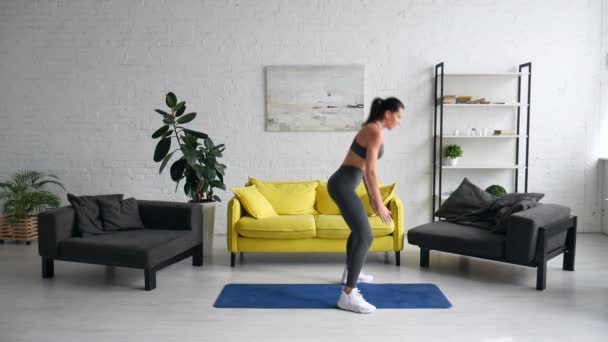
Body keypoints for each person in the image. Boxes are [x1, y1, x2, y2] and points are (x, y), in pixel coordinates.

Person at [327, 97, 404, 314]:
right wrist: (379, 204)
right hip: (342, 185)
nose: (399, 122)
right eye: (398, 116)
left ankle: (350, 272)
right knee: (365, 235)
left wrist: (372, 195)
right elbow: (370, 170)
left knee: (358, 231)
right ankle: (348, 295)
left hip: (344, 183)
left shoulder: (373, 129)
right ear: (387, 114)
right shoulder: (374, 130)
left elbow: (362, 170)